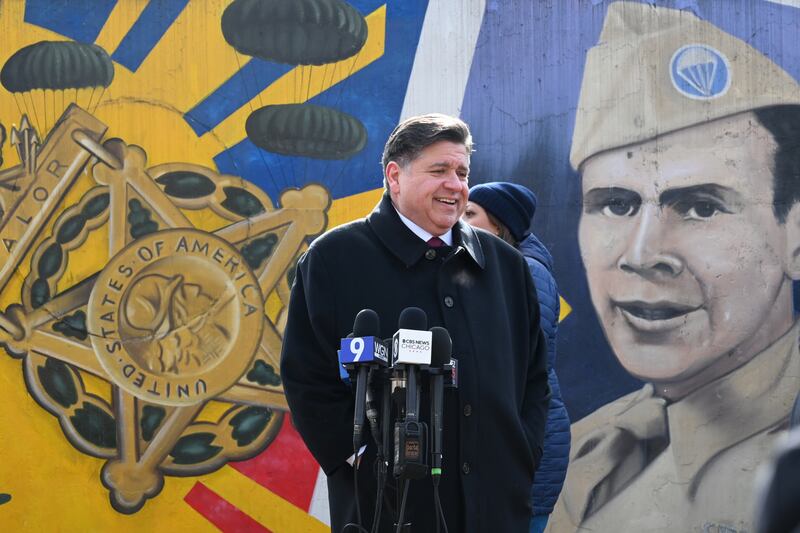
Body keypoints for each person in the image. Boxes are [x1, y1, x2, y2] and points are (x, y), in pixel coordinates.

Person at [548, 2, 800, 532]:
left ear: (795, 235)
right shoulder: (589, 451)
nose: (641, 255)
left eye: (701, 207)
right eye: (616, 204)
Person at [280, 113, 550, 532]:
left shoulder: (507, 266)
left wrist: (521, 454)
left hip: (494, 510)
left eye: (462, 173)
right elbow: (305, 377)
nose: (455, 185)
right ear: (395, 176)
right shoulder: (333, 260)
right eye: (439, 170)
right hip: (384, 509)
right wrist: (356, 456)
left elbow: (534, 379)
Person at [464, 182, 570, 533]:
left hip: (526, 443)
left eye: (469, 214)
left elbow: (514, 358)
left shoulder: (528, 271)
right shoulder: (492, 269)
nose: (458, 221)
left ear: (499, 225)